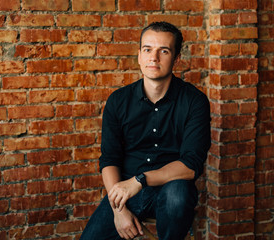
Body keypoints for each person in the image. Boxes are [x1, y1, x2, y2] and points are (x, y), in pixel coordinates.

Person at [80, 21, 211, 240]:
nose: (154, 58)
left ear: (177, 59)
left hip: (171, 190)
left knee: (179, 194)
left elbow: (191, 166)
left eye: (164, 51)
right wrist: (118, 211)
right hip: (127, 193)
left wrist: (140, 180)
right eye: (147, 49)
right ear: (139, 55)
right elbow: (109, 159)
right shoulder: (118, 101)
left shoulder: (194, 101)